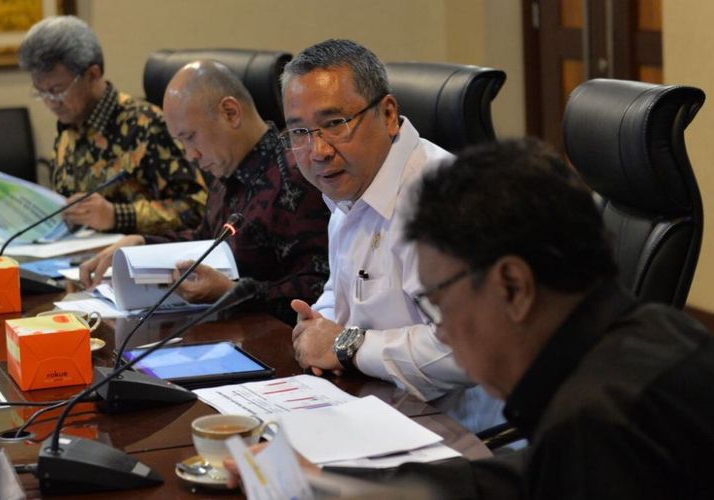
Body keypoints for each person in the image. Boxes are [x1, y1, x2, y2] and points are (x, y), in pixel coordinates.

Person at [228, 138, 714, 499]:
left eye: (441, 298)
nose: (441, 330)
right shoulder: (655, 335)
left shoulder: (596, 424)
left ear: (513, 287)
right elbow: (513, 481)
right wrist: (323, 482)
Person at [284, 39, 502, 432]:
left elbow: (466, 349)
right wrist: (317, 325)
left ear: (387, 114)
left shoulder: (440, 202)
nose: (316, 150)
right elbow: (344, 289)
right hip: (375, 407)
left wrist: (344, 346)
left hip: (459, 438)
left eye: (334, 124)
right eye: (300, 131)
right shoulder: (351, 188)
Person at [80, 60, 330, 324]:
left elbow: (320, 287)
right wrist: (141, 242)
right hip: (224, 330)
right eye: (182, 142)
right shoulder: (225, 171)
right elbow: (205, 240)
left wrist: (234, 293)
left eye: (190, 137)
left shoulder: (296, 174)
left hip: (277, 344)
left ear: (231, 113)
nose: (191, 155)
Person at [18, 16, 207, 234]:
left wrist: (117, 216)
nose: (50, 102)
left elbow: (197, 208)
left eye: (57, 90)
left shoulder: (146, 125)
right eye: (41, 91)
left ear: (92, 74)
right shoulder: (69, 125)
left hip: (141, 258)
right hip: (76, 255)